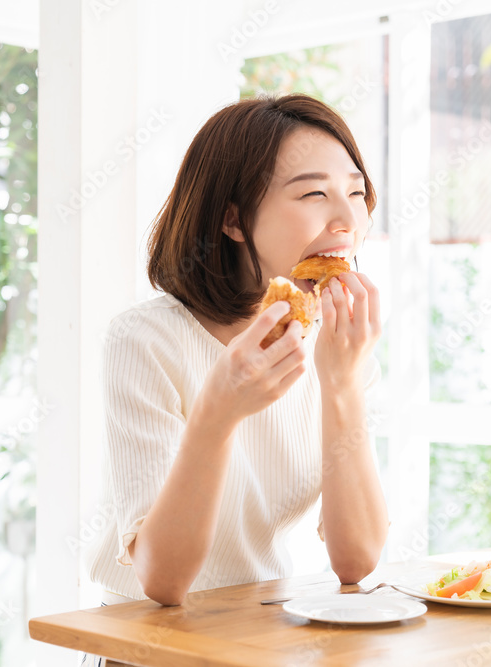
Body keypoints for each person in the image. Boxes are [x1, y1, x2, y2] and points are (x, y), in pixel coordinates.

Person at [85, 94, 389, 621]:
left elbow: (356, 561)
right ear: (232, 220)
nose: (347, 220)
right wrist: (218, 412)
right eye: (314, 193)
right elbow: (162, 582)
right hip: (145, 645)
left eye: (357, 192)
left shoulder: (337, 345)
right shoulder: (146, 340)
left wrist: (342, 386)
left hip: (265, 632)